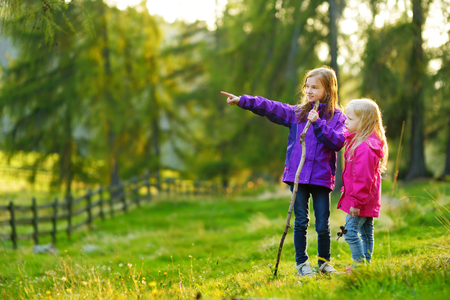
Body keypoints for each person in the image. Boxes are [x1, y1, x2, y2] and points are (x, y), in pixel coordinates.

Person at [221, 66, 346, 276]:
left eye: (315, 87)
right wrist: (243, 100)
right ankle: (302, 265)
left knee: (322, 223)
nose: (309, 90)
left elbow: (337, 142)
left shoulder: (337, 117)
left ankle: (324, 263)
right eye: (307, 86)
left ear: (329, 89)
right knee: (301, 221)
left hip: (322, 178)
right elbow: (270, 107)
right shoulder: (297, 113)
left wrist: (318, 123)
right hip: (298, 177)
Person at [337, 98, 388, 268]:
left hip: (361, 201)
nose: (346, 121)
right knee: (366, 233)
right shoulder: (358, 140)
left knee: (350, 232)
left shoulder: (364, 148)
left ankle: (359, 266)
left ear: (364, 122)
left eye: (350, 119)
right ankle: (365, 266)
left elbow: (363, 178)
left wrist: (356, 203)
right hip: (367, 199)